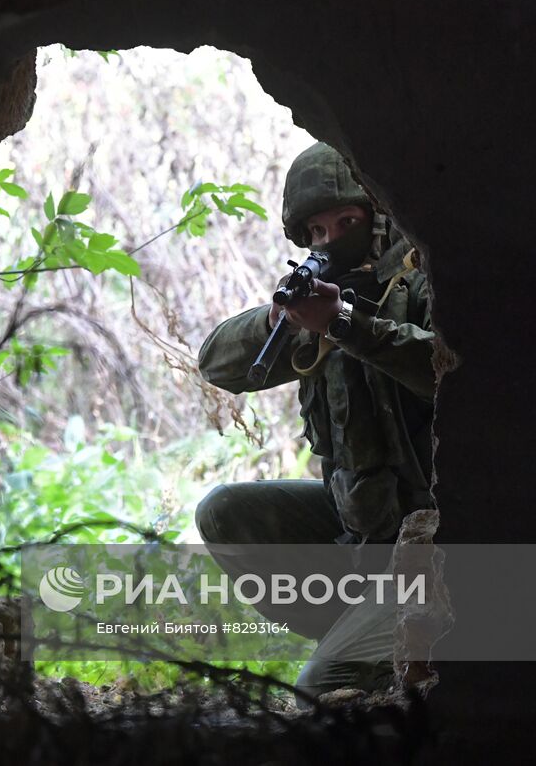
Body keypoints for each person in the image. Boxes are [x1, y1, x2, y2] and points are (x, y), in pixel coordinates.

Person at [194, 141, 436, 702]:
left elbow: (447, 369)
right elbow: (218, 364)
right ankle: (367, 633)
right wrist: (285, 317)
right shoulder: (320, 305)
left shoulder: (423, 275)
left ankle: (383, 645)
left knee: (323, 693)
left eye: (346, 223)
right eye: (318, 232)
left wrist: (350, 322)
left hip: (444, 549)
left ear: (377, 220)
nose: (331, 240)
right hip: (367, 538)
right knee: (225, 512)